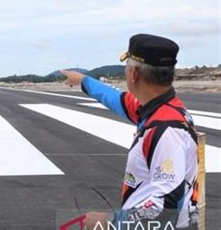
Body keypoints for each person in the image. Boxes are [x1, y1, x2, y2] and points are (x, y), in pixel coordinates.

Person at [62, 34, 199, 230]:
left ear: (134, 74)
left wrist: (108, 221)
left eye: (127, 66)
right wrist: (84, 80)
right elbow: (118, 99)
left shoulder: (166, 129)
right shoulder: (163, 108)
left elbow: (165, 208)